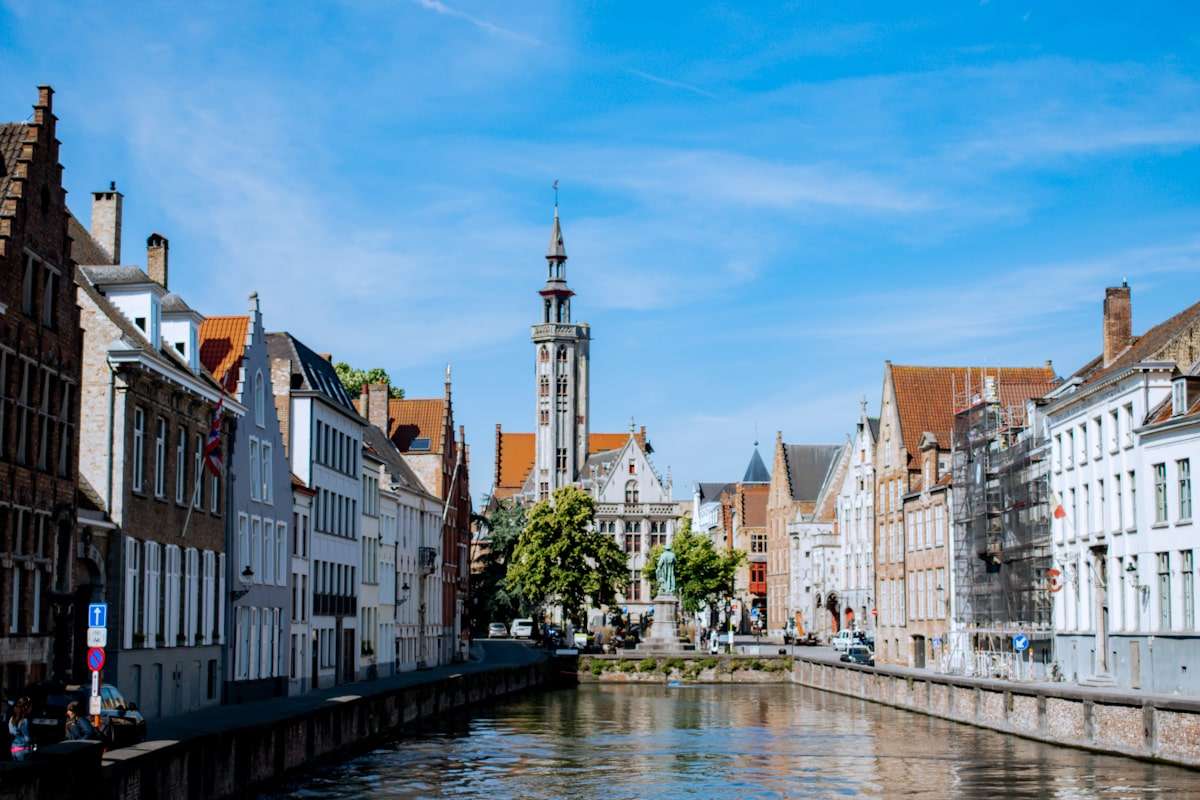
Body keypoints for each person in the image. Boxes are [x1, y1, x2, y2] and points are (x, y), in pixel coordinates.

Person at [8, 696, 32, 761]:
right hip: (22, 750)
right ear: (25, 708)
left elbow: (11, 732)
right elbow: (27, 739)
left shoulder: (11, 719)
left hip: (13, 749)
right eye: (30, 706)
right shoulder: (24, 721)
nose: (31, 708)